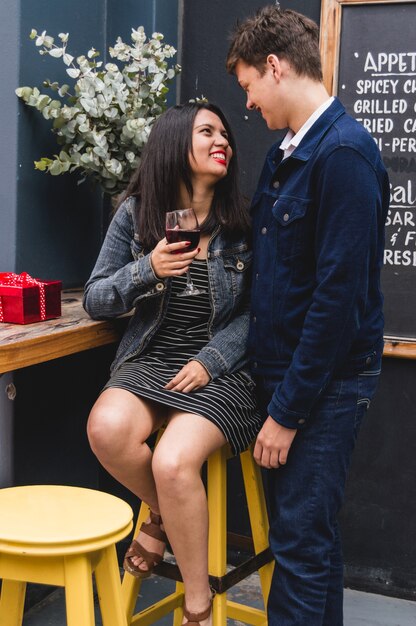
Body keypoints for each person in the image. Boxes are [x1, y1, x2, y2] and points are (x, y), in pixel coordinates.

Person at [226, 6, 389, 625]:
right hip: (288, 377)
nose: (246, 104)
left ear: (274, 65)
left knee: (297, 544)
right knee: (309, 542)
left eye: (247, 87)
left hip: (323, 387)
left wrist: (287, 413)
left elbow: (337, 300)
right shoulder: (286, 154)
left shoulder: (343, 155)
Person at [83, 101, 262, 626]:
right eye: (207, 131)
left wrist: (212, 360)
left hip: (221, 370)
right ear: (174, 143)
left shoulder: (243, 224)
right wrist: (148, 268)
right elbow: (96, 297)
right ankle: (162, 513)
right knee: (107, 428)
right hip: (151, 357)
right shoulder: (136, 214)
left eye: (225, 134)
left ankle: (198, 607)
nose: (222, 140)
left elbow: (259, 314)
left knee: (172, 461)